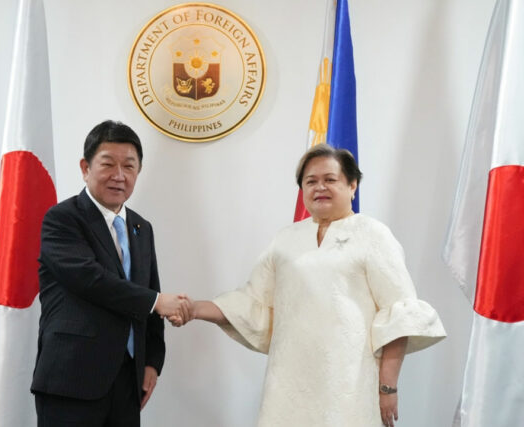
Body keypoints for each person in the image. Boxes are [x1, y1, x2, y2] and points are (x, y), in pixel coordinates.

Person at [171, 144, 446, 427]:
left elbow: (399, 314)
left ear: (352, 185)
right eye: (311, 181)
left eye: (330, 179)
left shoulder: (373, 235)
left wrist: (387, 388)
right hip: (287, 384)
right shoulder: (285, 240)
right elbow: (251, 304)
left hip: (350, 385)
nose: (320, 187)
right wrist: (193, 309)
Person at [31, 120, 191, 427]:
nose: (119, 175)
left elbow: (149, 290)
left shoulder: (141, 228)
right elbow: (90, 279)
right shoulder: (62, 219)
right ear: (85, 167)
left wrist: (151, 362)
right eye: (108, 164)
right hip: (71, 380)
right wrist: (158, 301)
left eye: (129, 166)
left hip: (127, 382)